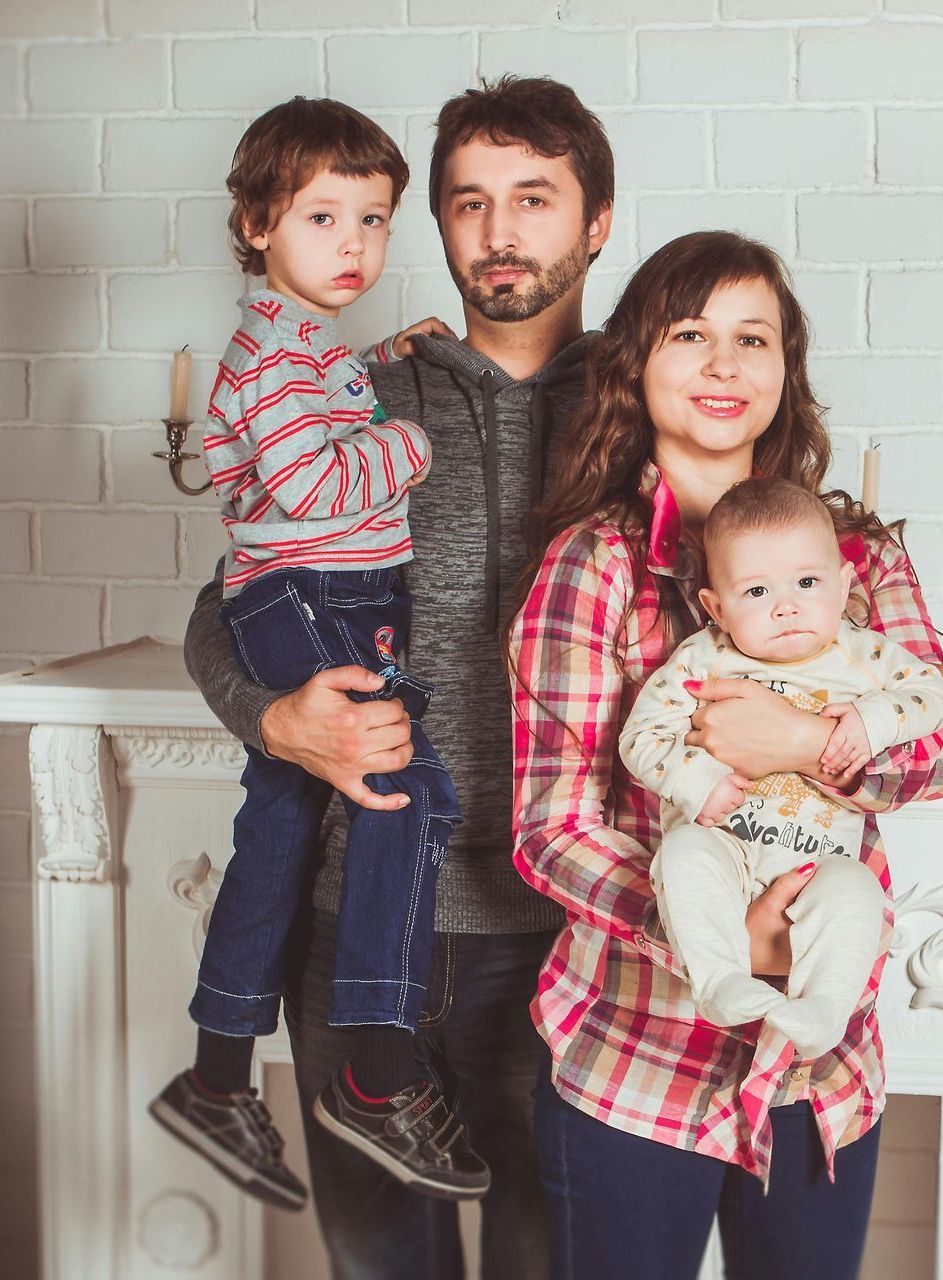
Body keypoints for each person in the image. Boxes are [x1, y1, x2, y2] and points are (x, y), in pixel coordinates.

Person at [508, 230, 943, 1280]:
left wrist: (812, 742)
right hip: (638, 1050)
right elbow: (550, 826)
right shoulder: (590, 565)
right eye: (690, 335)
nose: (723, 365)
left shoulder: (854, 554)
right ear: (637, 364)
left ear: (786, 370)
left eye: (752, 338)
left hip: (821, 1065)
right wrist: (718, 933)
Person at [182, 76, 614, 1279]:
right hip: (363, 919)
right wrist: (273, 717)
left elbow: (766, 573)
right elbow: (227, 607)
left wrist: (934, 661)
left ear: (597, 222)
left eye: (533, 198)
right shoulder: (359, 390)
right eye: (468, 202)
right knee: (381, 1265)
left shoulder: (649, 404)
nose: (499, 230)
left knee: (552, 1258)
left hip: (563, 934)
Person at [150, 95, 489, 1209]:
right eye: (322, 218)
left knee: (282, 830)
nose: (352, 244)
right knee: (407, 797)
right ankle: (374, 1074)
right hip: (311, 599)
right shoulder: (270, 355)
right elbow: (312, 480)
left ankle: (215, 1074)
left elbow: (315, 412)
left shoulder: (305, 346)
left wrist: (383, 361)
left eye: (373, 220)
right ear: (256, 222)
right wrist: (411, 439)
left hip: (314, 592)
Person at [618, 475, 943, 1059]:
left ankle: (823, 1009)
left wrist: (873, 720)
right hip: (724, 847)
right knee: (683, 857)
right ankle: (720, 980)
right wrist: (696, 780)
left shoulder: (864, 654)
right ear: (715, 608)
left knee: (857, 891)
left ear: (844, 585)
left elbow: (935, 697)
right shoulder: (702, 659)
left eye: (807, 582)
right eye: (756, 592)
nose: (787, 606)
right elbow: (641, 737)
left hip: (815, 863)